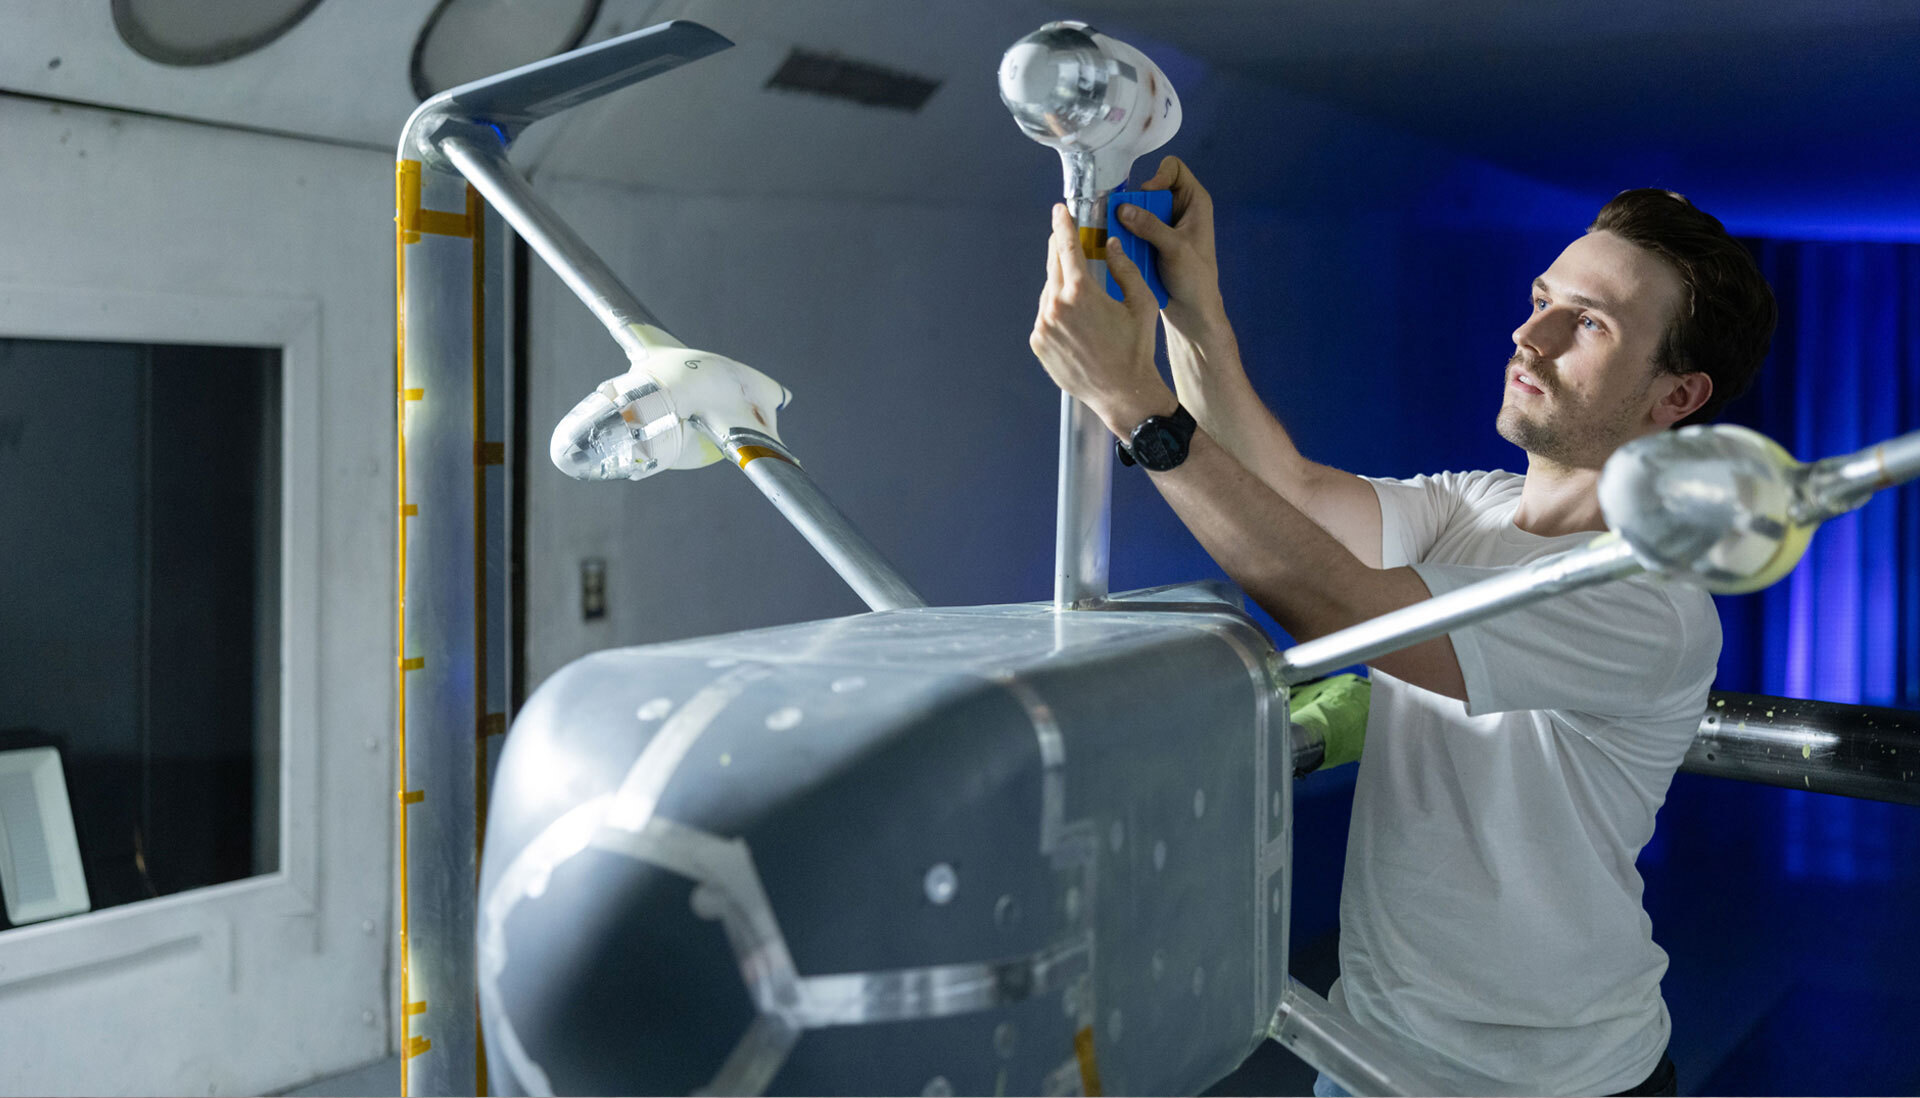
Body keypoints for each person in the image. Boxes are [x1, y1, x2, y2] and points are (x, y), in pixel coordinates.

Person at [1025, 157, 1777, 1097]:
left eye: (1587, 323)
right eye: (1543, 296)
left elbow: (1339, 608)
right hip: (1370, 1048)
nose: (1528, 334)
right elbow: (1283, 491)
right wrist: (1194, 305)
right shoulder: (1475, 506)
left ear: (1678, 397)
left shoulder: (1644, 597)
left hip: (1552, 1081)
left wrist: (1135, 404)